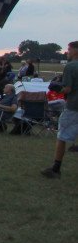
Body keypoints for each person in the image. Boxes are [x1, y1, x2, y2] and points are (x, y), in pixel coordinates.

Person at [42, 41, 78, 178]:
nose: (67, 52)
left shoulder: (71, 66)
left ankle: (56, 169)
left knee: (62, 136)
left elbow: (68, 89)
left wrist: (56, 87)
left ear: (76, 50)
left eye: (69, 49)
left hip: (74, 106)